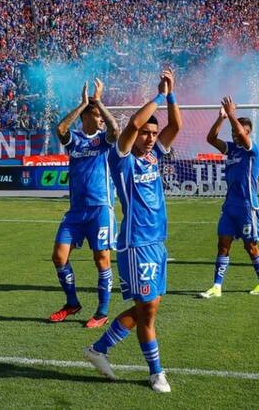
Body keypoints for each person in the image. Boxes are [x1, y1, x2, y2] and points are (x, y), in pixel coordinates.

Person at [83, 70, 181, 393]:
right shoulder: (121, 158)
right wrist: (157, 95)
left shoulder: (153, 157)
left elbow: (176, 127)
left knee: (145, 310)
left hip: (157, 242)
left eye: (154, 134)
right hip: (135, 243)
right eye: (146, 134)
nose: (150, 137)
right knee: (148, 310)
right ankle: (156, 373)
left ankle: (98, 350)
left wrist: (171, 95)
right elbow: (134, 125)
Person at [50, 79, 119, 329]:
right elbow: (60, 129)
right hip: (76, 211)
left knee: (102, 259)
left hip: (100, 208)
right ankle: (72, 303)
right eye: (98, 115)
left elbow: (116, 131)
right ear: (87, 116)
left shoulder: (103, 141)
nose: (101, 119)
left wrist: (99, 101)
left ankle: (101, 312)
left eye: (102, 116)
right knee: (59, 257)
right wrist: (82, 104)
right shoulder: (76, 139)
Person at [199, 96, 259, 299]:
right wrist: (221, 118)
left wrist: (231, 113)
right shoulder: (231, 149)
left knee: (250, 246)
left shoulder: (252, 149)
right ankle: (216, 287)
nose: (236, 135)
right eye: (235, 133)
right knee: (223, 244)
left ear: (249, 133)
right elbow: (211, 139)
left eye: (241, 132)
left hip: (247, 206)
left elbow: (239, 130)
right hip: (230, 206)